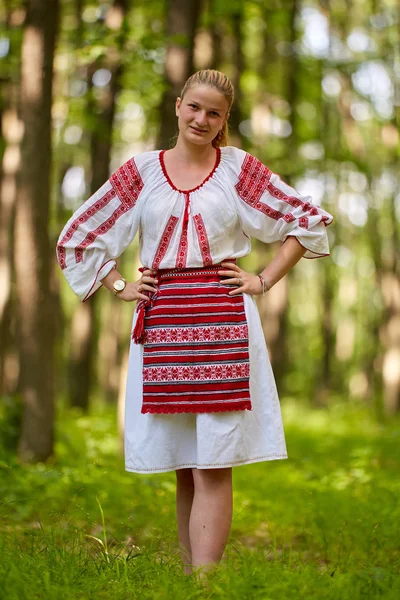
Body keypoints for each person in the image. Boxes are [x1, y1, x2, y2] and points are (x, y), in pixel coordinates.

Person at [56, 69, 333, 577]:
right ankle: (189, 580)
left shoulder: (236, 170)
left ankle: (206, 586)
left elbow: (307, 219)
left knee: (214, 461)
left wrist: (265, 279)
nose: (201, 119)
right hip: (161, 326)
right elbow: (79, 234)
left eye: (215, 113)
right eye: (195, 107)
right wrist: (120, 286)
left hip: (224, 322)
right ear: (178, 106)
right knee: (185, 463)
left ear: (224, 121)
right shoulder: (140, 171)